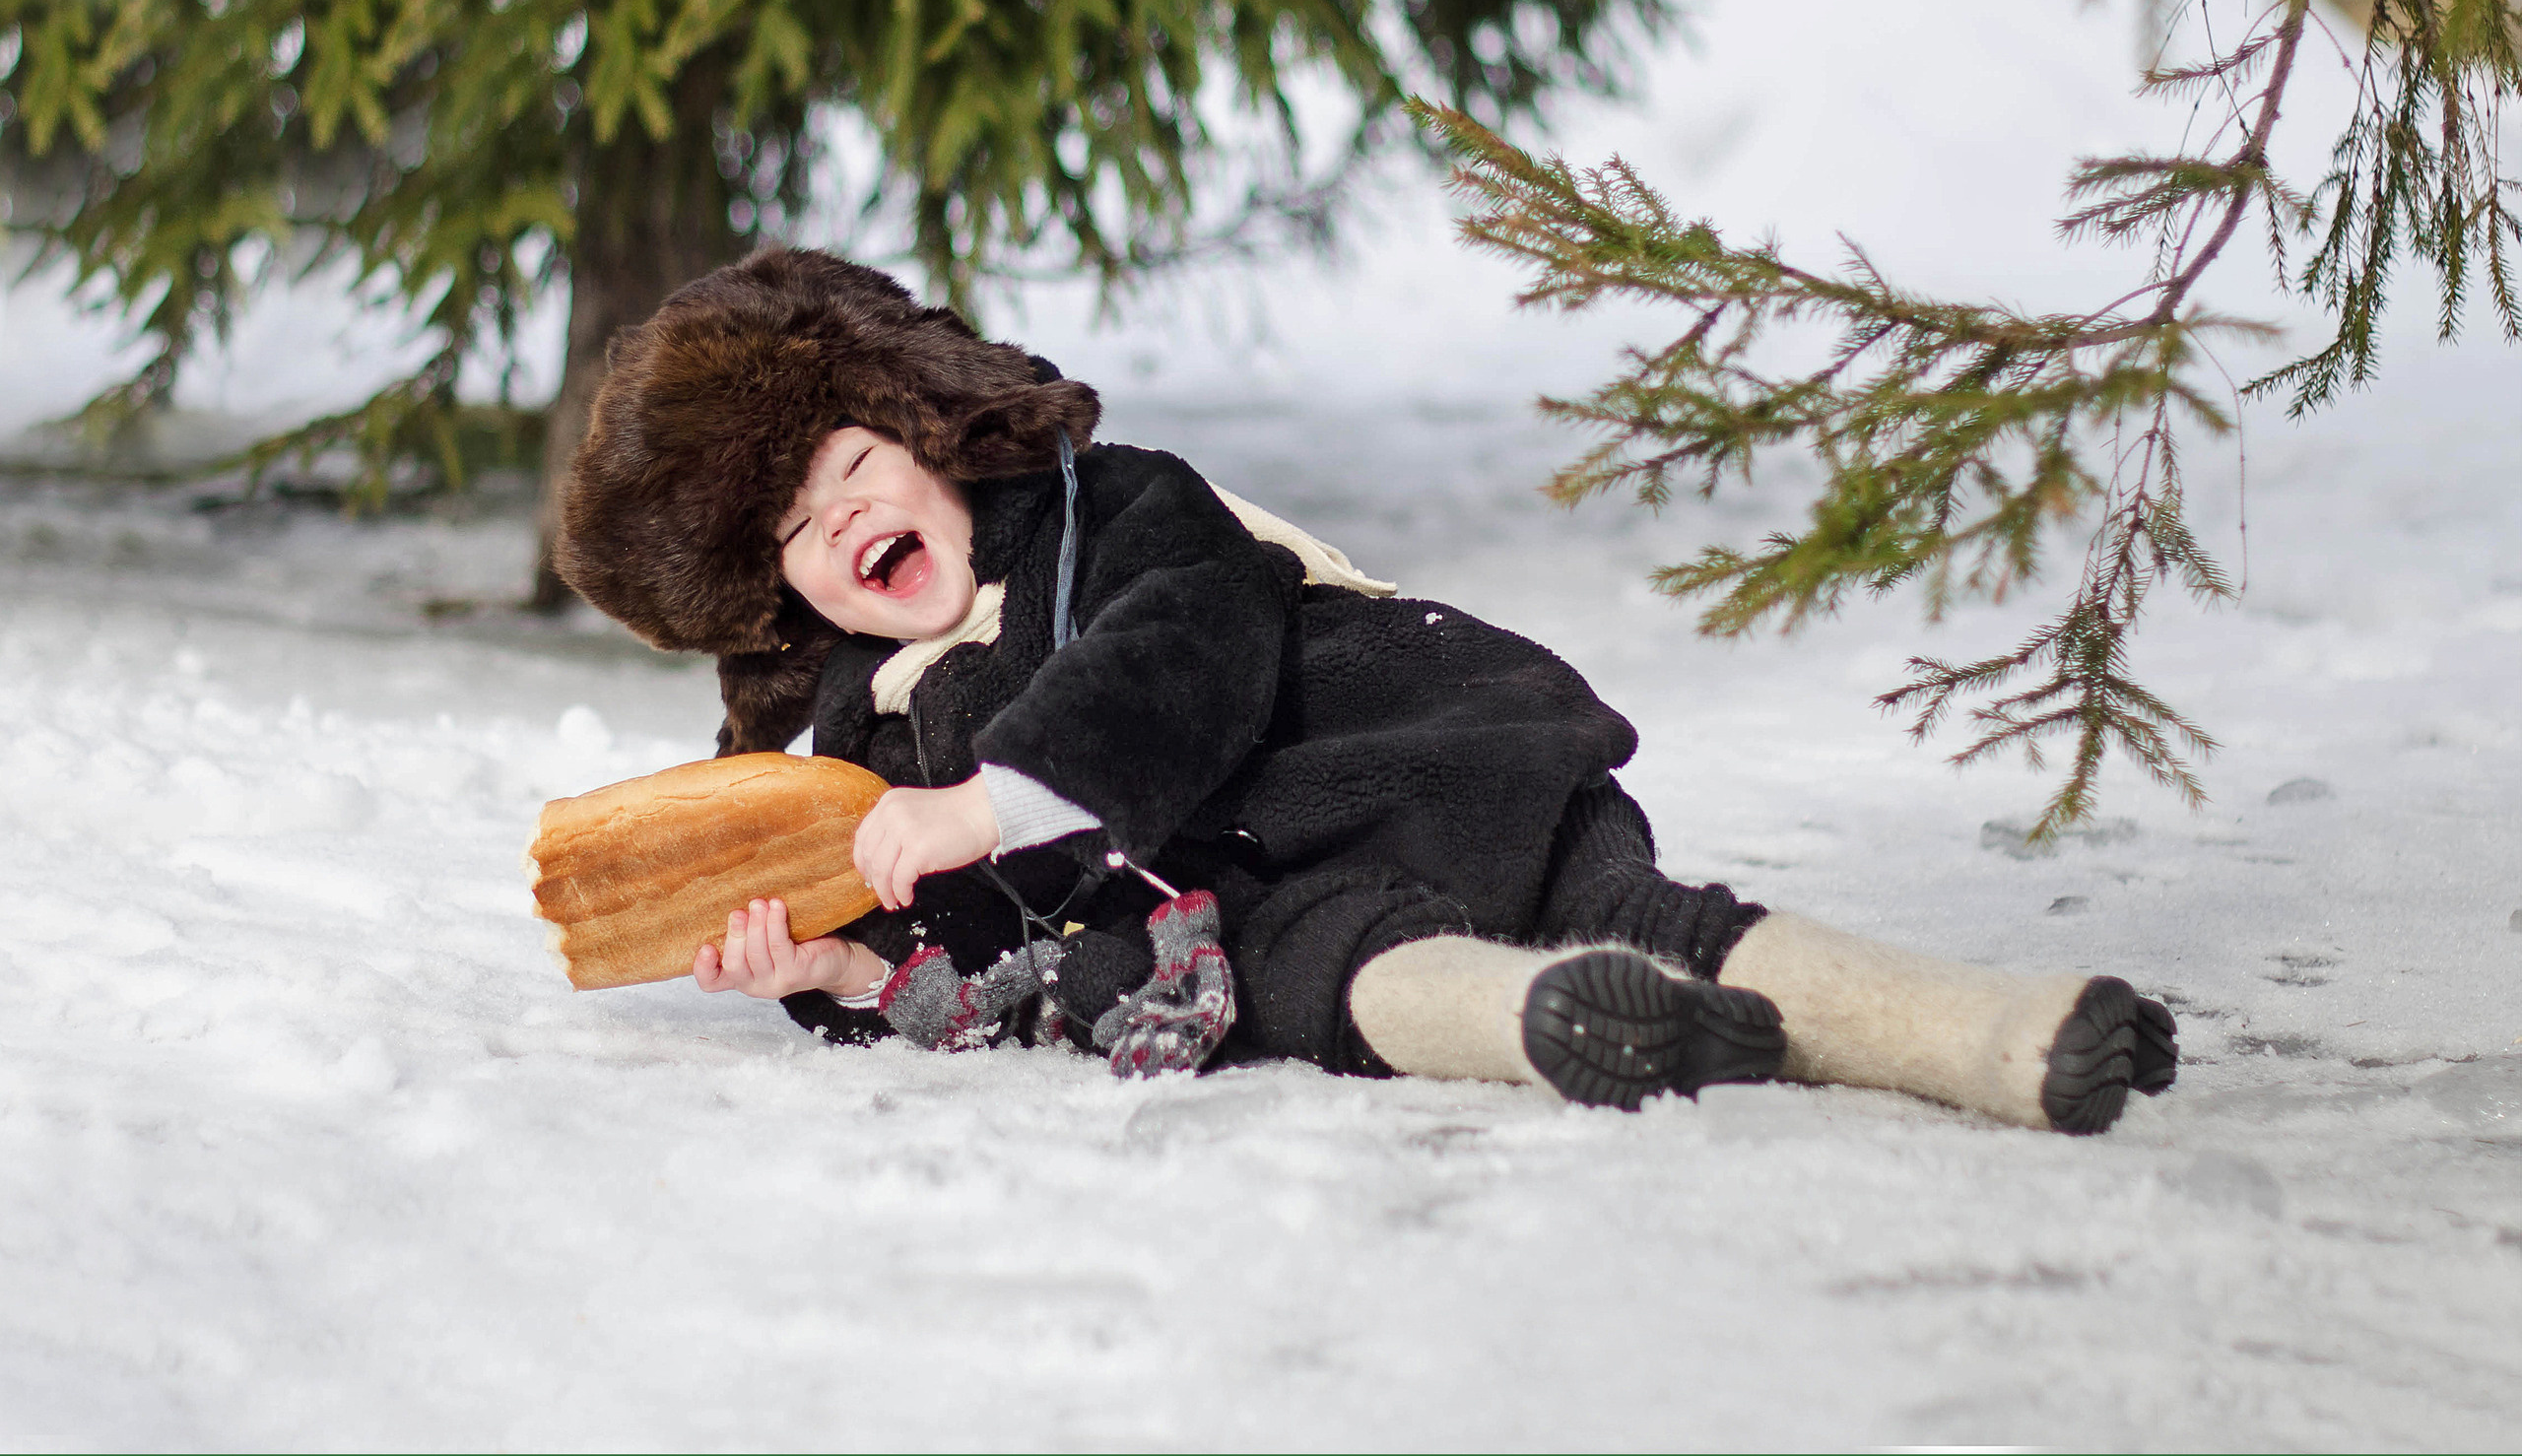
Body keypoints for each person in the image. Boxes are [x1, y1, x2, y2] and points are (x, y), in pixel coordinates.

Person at [554, 247, 2177, 1133]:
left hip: (1392, 753)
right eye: (792, 533)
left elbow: (1177, 648)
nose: (840, 520)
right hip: (1248, 905)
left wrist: (993, 798)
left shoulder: (1117, 510)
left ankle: (1990, 1035)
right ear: (780, 594)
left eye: (845, 464)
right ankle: (1563, 1026)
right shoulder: (871, 737)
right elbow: (990, 958)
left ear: (914, 424)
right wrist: (839, 965)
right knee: (1329, 977)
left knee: (1636, 896)